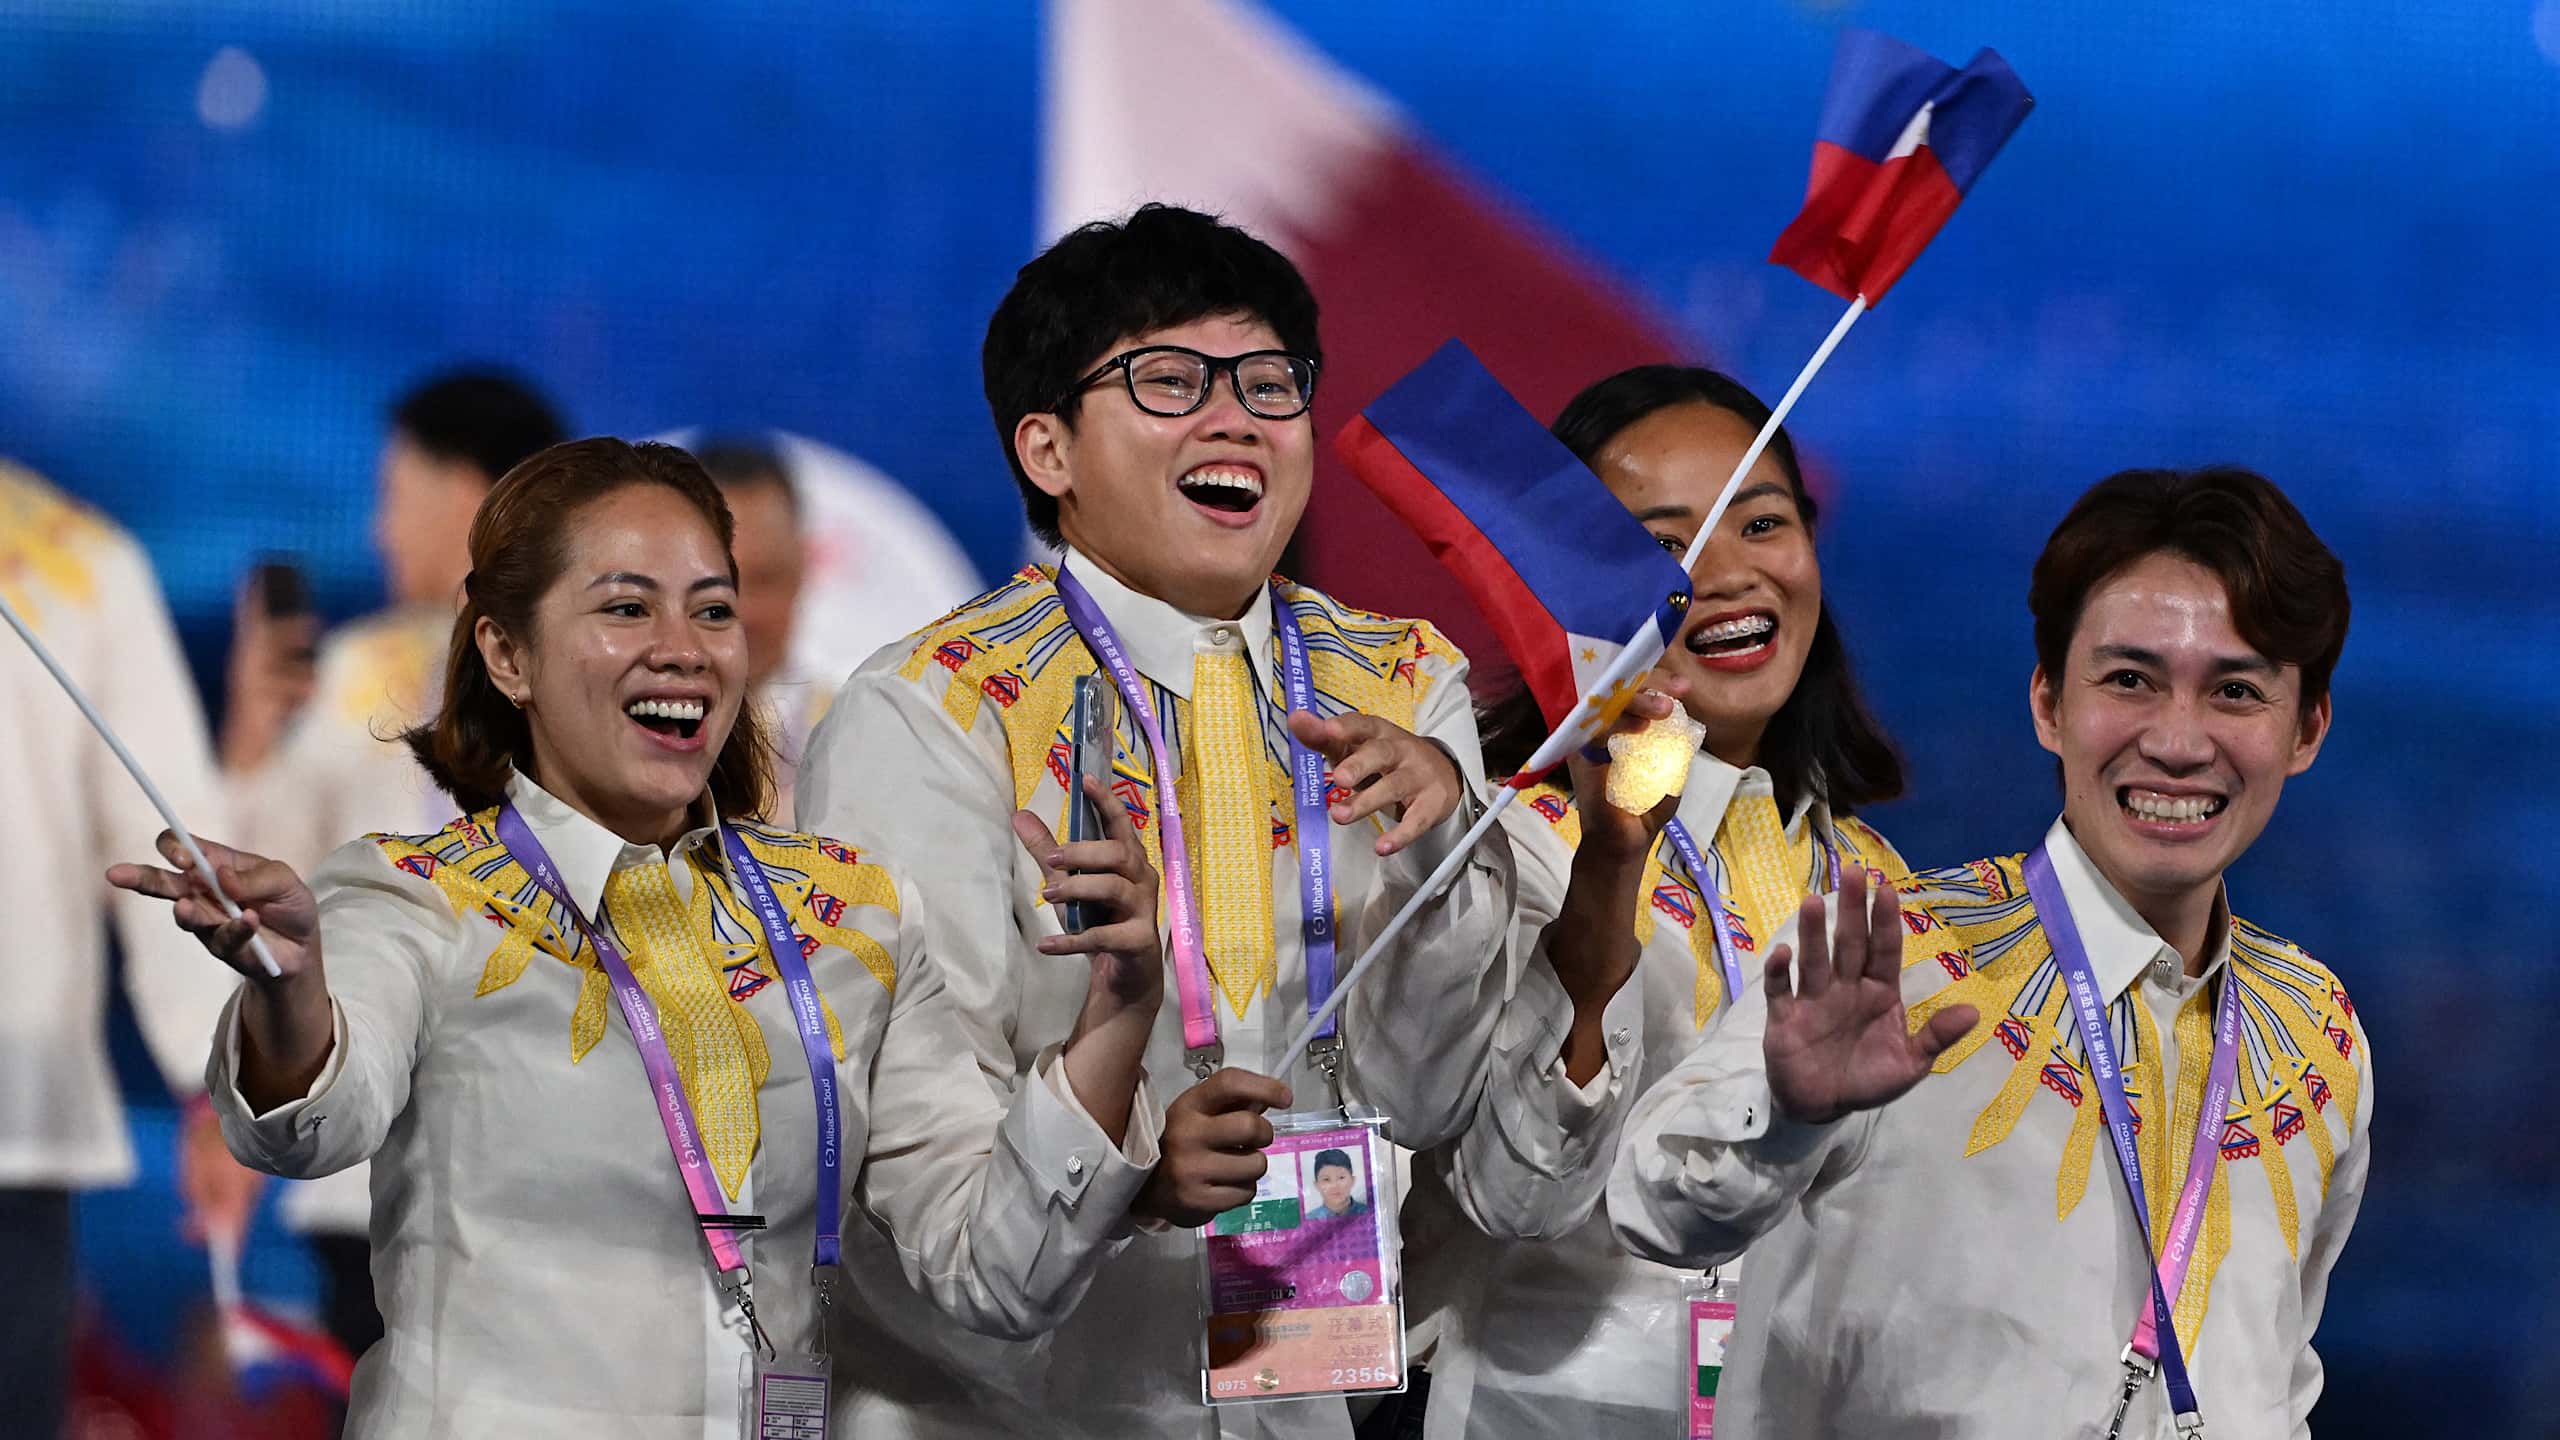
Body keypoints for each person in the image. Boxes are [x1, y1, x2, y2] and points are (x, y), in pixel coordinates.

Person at [111, 439, 1168, 1436]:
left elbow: (999, 1274)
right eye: (626, 606)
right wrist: (290, 989)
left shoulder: (856, 916)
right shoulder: (414, 896)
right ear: (507, 652)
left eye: (713, 610)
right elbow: (310, 1128)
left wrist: (1119, 1016)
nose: (683, 649)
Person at [797, 203, 1522, 1440]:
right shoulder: (932, 713)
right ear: (1048, 449)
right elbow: (913, 1184)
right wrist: (1127, 1183)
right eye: (1168, 380)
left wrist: (1451, 862)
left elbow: (1437, 1094)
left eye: (1268, 381)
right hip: (1015, 1413)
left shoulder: (1401, 687)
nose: (1233, 416)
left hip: (1322, 1395)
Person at [1609, 466, 2370, 1438]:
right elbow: (1655, 1206)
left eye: (2234, 691)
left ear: (2305, 728)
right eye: (2128, 679)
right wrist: (1784, 1125)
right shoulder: (1892, 957)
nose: (2179, 742)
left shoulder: (2318, 1033)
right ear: (2048, 702)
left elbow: (2274, 1376)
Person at [1397, 365, 1914, 1437]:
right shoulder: (1509, 847)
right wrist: (1607, 876)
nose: (1724, 576)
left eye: (1759, 522)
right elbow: (1517, 1202)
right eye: (1662, 546)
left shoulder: (1875, 882)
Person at [218, 367, 564, 1355]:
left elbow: (255, 877)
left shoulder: (562, 669)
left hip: (464, 1171)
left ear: (462, 493)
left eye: (391, 498)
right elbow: (265, 876)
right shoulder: (372, 668)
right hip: (423, 1177)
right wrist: (252, 737)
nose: (378, 531)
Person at [0, 460, 261, 1435]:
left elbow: (171, 848)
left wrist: (214, 1085)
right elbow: (174, 843)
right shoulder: (72, 554)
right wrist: (214, 1086)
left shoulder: (75, 564)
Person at [695, 441, 824, 823]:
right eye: (717, 584)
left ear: (802, 570)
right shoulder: (612, 742)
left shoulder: (861, 734)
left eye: (765, 579)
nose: (743, 613)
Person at [1309, 1149, 1369, 1221]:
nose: (1335, 1185)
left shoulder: (1369, 1213)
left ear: (1352, 1180)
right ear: (1317, 1185)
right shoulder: (1309, 1219)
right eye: (1326, 1179)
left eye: (1341, 1177)